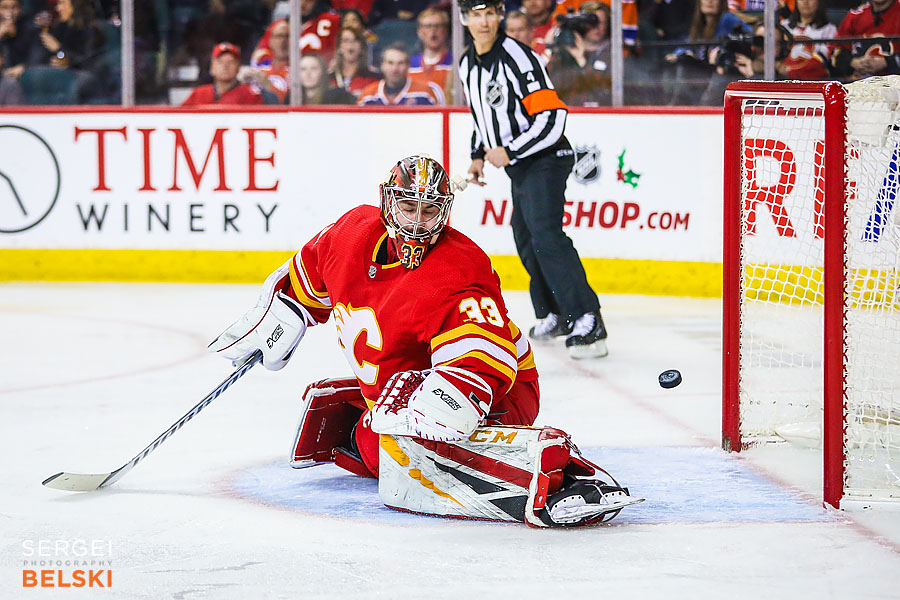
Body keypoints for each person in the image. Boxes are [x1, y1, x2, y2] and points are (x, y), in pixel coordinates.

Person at [208, 154, 641, 526]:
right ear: (387, 203)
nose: (417, 221)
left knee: (391, 450)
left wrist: (438, 408)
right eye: (408, 206)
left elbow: (484, 356)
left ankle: (569, 475)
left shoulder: (460, 267)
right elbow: (303, 283)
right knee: (380, 443)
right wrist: (277, 319)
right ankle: (380, 424)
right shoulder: (349, 235)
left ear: (444, 212)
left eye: (429, 210)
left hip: (502, 391)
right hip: (405, 388)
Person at [458, 0, 607, 359]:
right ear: (465, 19)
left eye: (489, 13)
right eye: (475, 15)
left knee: (545, 234)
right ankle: (555, 313)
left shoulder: (518, 57)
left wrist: (510, 150)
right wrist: (478, 154)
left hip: (546, 158)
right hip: (522, 163)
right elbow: (482, 116)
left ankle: (588, 317)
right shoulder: (467, 64)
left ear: (499, 16)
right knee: (526, 238)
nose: (483, 22)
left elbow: (553, 116)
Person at [831, 0, 900, 80]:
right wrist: (852, 62)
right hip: (857, 84)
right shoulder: (855, 15)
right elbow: (835, 51)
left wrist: (888, 62)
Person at [357, 42, 444, 105]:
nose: (395, 69)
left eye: (400, 63)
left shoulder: (425, 93)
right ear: (382, 65)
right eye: (390, 63)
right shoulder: (368, 95)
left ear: (408, 66)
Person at [182, 42, 263, 106]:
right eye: (220, 62)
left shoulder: (250, 95)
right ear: (212, 68)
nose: (225, 66)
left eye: (230, 62)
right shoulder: (198, 93)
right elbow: (179, 117)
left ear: (238, 68)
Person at [779, 0, 836, 81]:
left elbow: (823, 61)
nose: (805, 2)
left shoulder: (829, 29)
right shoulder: (784, 26)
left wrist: (793, 71)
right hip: (782, 78)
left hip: (813, 79)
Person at [408, 8, 453, 98]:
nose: (433, 31)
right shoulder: (408, 64)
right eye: (428, 26)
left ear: (445, 31)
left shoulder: (456, 62)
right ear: (420, 32)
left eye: (437, 26)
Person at [245, 19, 291, 103]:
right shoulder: (259, 67)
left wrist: (268, 85)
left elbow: (290, 105)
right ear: (270, 41)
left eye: (287, 36)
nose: (283, 41)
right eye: (279, 36)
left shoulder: (302, 69)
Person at [330, 26, 380, 98]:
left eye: (355, 41)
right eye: (346, 41)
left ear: (361, 47)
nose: (350, 46)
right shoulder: (329, 79)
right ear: (339, 47)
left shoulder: (375, 78)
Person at [0, 0, 42, 80]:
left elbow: (38, 57)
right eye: (5, 8)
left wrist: (24, 67)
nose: (10, 12)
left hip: (26, 77)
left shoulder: (31, 29)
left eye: (14, 7)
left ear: (20, 9)